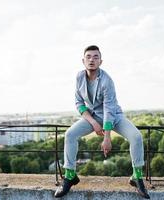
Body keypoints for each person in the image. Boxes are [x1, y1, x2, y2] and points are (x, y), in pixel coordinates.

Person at [54, 45, 150, 199]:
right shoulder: (79, 77)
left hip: (114, 116)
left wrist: (107, 137)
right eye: (89, 57)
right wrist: (93, 122)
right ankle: (70, 175)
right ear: (83, 60)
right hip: (92, 116)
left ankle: (136, 177)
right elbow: (79, 103)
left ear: (101, 61)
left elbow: (109, 109)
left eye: (96, 57)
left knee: (136, 137)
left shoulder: (107, 80)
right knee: (70, 134)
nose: (92, 60)